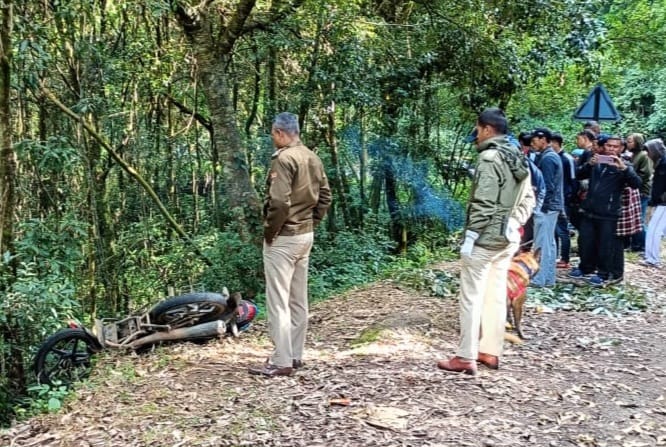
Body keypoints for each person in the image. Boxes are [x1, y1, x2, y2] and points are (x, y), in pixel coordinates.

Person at [437, 108, 535, 375]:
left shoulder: (490, 159)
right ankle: (490, 352)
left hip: (485, 239)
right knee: (495, 296)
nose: (477, 135)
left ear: (488, 130)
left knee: (471, 297)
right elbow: (529, 200)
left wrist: (471, 236)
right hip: (508, 239)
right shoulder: (518, 157)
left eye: (478, 129)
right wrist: (514, 223)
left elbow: (483, 202)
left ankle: (465, 356)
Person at [249, 112, 332, 377]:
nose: (273, 139)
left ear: (279, 133)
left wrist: (270, 232)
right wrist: (311, 223)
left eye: (273, 134)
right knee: (298, 299)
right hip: (305, 235)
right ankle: (295, 354)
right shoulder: (312, 157)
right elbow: (326, 197)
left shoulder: (284, 159)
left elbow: (279, 202)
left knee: (278, 301)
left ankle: (281, 360)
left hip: (284, 237)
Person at [569, 135, 641, 286]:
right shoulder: (597, 161)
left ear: (621, 148)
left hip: (609, 212)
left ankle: (603, 273)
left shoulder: (625, 165)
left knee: (605, 245)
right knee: (585, 241)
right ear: (604, 146)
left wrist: (624, 168)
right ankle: (585, 268)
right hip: (590, 209)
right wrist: (589, 164)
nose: (611, 149)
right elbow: (579, 174)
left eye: (615, 147)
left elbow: (636, 183)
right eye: (609, 146)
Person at [529, 128, 563, 287]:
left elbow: (547, 186)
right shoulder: (550, 156)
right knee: (549, 243)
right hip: (552, 206)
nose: (532, 144)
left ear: (544, 140)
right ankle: (549, 279)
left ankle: (539, 279)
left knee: (541, 242)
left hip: (547, 207)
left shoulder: (548, 159)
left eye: (534, 140)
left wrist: (541, 207)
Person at [551, 132, 576, 269]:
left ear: (556, 143)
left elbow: (573, 179)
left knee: (563, 230)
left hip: (565, 199)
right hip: (556, 199)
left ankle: (565, 258)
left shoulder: (567, 158)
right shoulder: (553, 157)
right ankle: (554, 256)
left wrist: (570, 197)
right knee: (554, 230)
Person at [625, 133, 652, 252]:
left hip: (641, 191)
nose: (627, 143)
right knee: (634, 218)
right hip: (633, 190)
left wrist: (634, 180)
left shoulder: (644, 155)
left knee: (639, 219)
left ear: (637, 142)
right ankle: (636, 243)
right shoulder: (632, 155)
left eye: (630, 141)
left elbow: (645, 174)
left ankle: (642, 245)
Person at [643, 138, 666, 267]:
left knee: (654, 229)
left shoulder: (663, 163)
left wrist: (654, 200)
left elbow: (660, 185)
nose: (648, 154)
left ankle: (652, 258)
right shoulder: (661, 161)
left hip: (664, 203)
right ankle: (651, 256)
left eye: (649, 150)